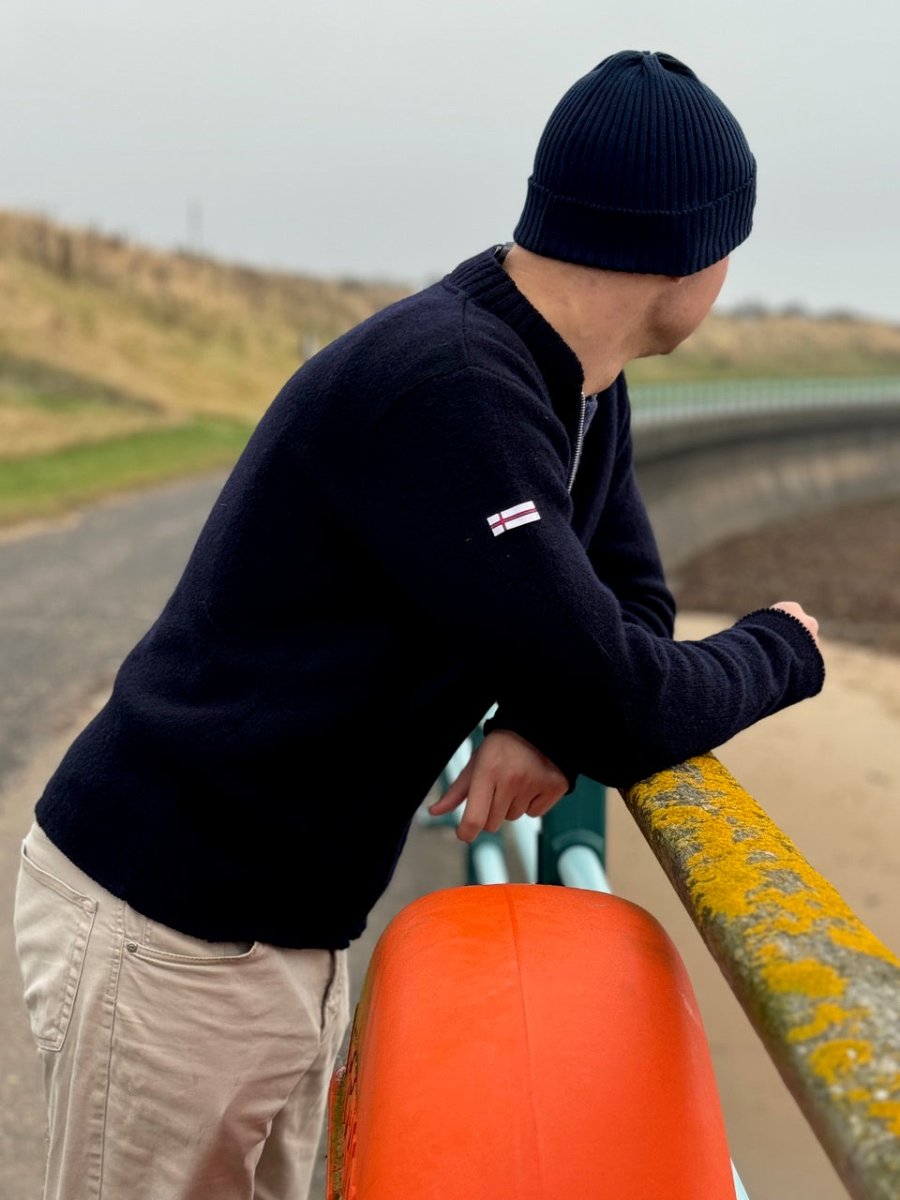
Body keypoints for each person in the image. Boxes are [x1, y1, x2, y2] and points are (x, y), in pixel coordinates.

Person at [14, 49, 824, 1200]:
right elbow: (633, 701)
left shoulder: (581, 384)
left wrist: (546, 719)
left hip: (279, 928)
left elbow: (627, 611)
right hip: (170, 924)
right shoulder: (454, 389)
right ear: (687, 252)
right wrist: (783, 647)